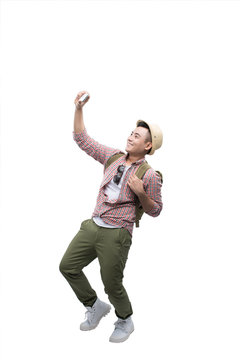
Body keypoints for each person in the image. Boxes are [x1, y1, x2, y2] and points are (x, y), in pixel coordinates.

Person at [59, 90, 163, 343]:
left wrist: (142, 194)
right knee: (68, 267)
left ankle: (125, 319)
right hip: (93, 225)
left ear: (147, 145)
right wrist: (78, 109)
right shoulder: (113, 157)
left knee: (112, 284)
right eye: (131, 132)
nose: (130, 137)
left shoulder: (150, 175)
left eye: (137, 136)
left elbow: (156, 210)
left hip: (117, 233)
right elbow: (83, 140)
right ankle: (94, 306)